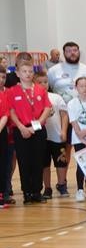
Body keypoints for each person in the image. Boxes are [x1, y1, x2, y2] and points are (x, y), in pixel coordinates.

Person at [8, 61, 52, 203]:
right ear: (17, 73)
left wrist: (36, 126)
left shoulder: (40, 90)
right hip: (20, 130)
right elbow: (11, 111)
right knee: (24, 161)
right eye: (24, 71)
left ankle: (37, 192)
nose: (27, 74)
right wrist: (21, 127)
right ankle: (27, 192)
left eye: (30, 71)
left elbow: (47, 108)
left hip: (37, 128)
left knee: (38, 160)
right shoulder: (12, 91)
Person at [36, 72, 69, 199]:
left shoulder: (56, 97)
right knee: (44, 164)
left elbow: (64, 115)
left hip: (57, 136)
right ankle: (47, 188)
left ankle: (61, 184)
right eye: (40, 82)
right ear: (34, 83)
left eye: (45, 82)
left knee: (61, 162)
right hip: (42, 137)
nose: (43, 84)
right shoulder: (33, 98)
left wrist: (64, 131)